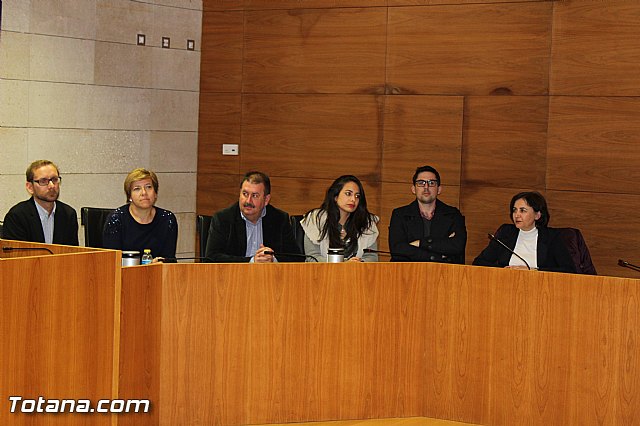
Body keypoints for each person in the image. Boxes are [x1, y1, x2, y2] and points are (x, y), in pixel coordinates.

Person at [205, 171, 303, 263]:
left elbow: (296, 258)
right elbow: (211, 258)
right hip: (234, 277)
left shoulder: (279, 219)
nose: (248, 201)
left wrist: (273, 260)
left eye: (255, 196)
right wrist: (251, 261)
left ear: (266, 200)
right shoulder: (223, 219)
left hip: (269, 277)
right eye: (245, 194)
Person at [473, 191, 576, 272]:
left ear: (537, 215)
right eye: (514, 210)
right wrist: (502, 271)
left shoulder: (551, 238)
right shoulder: (506, 233)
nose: (517, 215)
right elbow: (479, 262)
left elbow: (568, 270)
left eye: (523, 210)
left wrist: (534, 271)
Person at [388, 165, 466, 263]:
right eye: (421, 183)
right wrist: (437, 255)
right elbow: (398, 250)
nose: (426, 187)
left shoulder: (453, 215)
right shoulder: (399, 215)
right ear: (413, 189)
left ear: (439, 189)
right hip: (408, 274)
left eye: (431, 183)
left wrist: (420, 243)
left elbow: (457, 246)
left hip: (445, 274)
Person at [103, 168, 178, 261]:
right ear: (129, 196)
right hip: (124, 273)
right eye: (137, 189)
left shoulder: (167, 219)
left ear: (155, 193)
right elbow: (111, 261)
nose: (144, 193)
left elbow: (169, 259)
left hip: (158, 274)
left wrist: (160, 263)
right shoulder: (117, 219)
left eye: (148, 187)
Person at [301, 175, 379, 262]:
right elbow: (312, 258)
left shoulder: (366, 222)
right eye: (348, 194)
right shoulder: (316, 219)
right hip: (323, 273)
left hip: (357, 274)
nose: (353, 199)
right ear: (335, 196)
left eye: (357, 196)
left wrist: (358, 264)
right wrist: (343, 264)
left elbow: (372, 257)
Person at [3, 160, 79, 245]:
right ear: (30, 187)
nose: (51, 186)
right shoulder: (17, 216)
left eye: (54, 180)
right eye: (43, 181)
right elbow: (17, 256)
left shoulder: (68, 214)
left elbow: (72, 254)